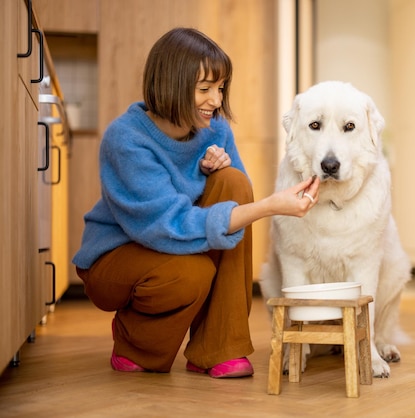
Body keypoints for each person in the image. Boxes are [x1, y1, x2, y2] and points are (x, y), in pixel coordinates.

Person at [72, 27, 320, 378]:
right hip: (116, 256)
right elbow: (166, 226)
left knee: (232, 180)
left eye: (220, 89)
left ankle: (219, 347)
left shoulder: (216, 130)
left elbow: (234, 201)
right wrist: (271, 206)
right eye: (204, 89)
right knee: (191, 273)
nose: (216, 101)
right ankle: (134, 339)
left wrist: (212, 175)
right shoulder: (125, 138)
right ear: (170, 83)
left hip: (177, 249)